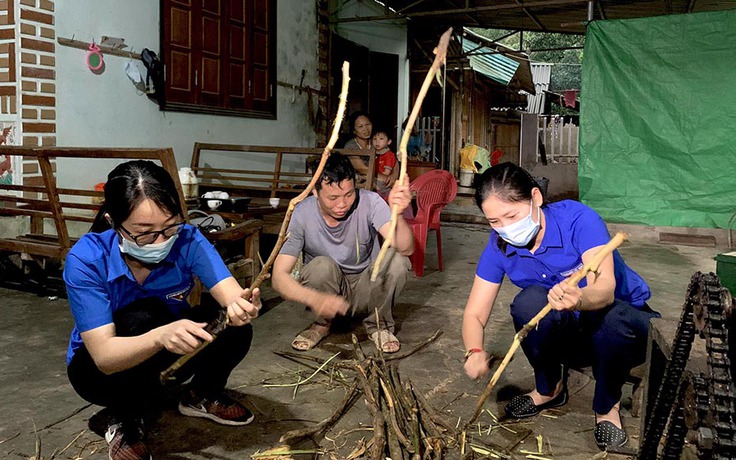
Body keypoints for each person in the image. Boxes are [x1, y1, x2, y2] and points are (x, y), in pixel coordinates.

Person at [64, 160, 261, 460]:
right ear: (113, 222)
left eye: (170, 226)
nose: (161, 241)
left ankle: (200, 394)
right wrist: (160, 336)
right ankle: (124, 418)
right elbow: (103, 356)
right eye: (145, 233)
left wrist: (243, 306)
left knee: (234, 327)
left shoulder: (188, 239)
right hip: (98, 371)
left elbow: (231, 295)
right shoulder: (87, 259)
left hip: (166, 347)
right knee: (145, 315)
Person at [461, 162, 658, 451]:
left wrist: (579, 298)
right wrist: (474, 351)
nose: (505, 228)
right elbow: (474, 313)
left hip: (625, 325)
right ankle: (549, 388)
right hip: (574, 331)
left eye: (512, 215)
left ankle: (606, 406)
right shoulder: (499, 246)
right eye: (494, 221)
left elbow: (604, 291)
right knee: (528, 304)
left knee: (612, 320)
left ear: (536, 198)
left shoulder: (578, 220)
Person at [271, 154, 414, 353]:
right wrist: (316, 300)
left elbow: (406, 248)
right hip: (329, 292)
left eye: (348, 194)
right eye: (333, 198)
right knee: (320, 266)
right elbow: (278, 278)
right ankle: (322, 325)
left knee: (396, 259)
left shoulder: (370, 201)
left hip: (367, 288)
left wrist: (398, 213)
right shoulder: (302, 213)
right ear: (315, 191)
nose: (342, 204)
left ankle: (378, 325)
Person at [343, 111, 398, 188]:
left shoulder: (375, 142)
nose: (365, 129)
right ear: (354, 131)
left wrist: (394, 176)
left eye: (367, 124)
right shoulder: (351, 146)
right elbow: (362, 169)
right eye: (360, 126)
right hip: (359, 182)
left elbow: (393, 160)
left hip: (378, 179)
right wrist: (384, 178)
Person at [371, 128, 398, 195]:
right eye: (375, 139)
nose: (377, 142)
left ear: (389, 142)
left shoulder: (389, 155)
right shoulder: (373, 153)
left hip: (384, 180)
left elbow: (386, 173)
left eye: (381, 139)